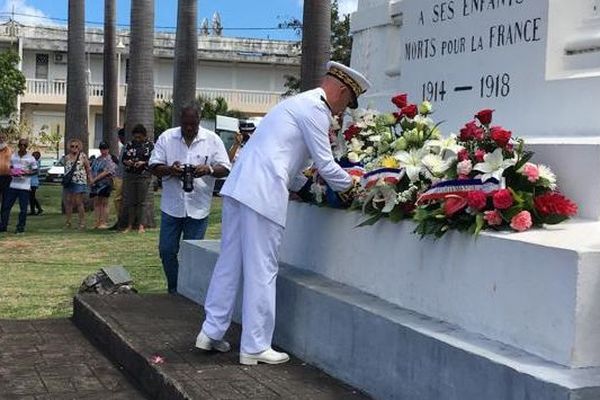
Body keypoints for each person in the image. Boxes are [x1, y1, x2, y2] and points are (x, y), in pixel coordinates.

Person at [196, 61, 371, 365]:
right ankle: (255, 346)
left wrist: (305, 188)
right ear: (341, 90)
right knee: (262, 268)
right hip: (262, 193)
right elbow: (327, 165)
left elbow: (285, 157)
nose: (344, 110)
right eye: (347, 102)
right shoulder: (316, 109)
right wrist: (354, 187)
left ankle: (210, 332)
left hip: (241, 187)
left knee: (230, 262)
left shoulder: (296, 103)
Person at [149, 105, 231, 294]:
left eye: (192, 124)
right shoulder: (167, 137)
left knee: (192, 254)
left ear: (199, 122)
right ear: (180, 121)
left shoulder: (212, 139)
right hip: (172, 205)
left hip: (198, 207)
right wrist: (171, 170)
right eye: (185, 124)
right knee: (167, 251)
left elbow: (226, 168)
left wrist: (207, 169)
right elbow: (153, 166)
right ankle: (175, 288)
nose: (188, 128)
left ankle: (189, 292)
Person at [0, 138, 38, 234]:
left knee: (23, 209)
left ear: (27, 146)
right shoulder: (13, 156)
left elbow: (35, 171)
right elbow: (11, 166)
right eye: (21, 145)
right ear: (18, 145)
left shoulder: (30, 158)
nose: (22, 147)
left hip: (24, 187)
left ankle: (20, 227)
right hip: (13, 185)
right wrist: (13, 171)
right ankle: (3, 226)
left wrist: (26, 173)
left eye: (24, 145)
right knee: (6, 207)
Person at [121, 124, 154, 233]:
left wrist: (143, 163)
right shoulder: (129, 145)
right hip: (131, 175)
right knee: (131, 201)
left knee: (142, 201)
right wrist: (129, 162)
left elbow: (154, 160)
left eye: (139, 137)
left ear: (144, 136)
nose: (137, 139)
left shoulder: (150, 146)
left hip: (144, 175)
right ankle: (130, 225)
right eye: (135, 137)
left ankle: (141, 225)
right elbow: (124, 159)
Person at [63, 139, 92, 229]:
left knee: (78, 202)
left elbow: (88, 168)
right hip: (69, 182)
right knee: (68, 202)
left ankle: (82, 222)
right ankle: (68, 222)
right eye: (72, 146)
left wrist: (89, 179)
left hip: (79, 181)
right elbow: (66, 169)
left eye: (76, 146)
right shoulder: (67, 157)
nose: (74, 148)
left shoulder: (83, 156)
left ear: (79, 147)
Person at [90, 141, 116, 229]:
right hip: (96, 184)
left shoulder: (109, 159)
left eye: (105, 149)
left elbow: (107, 171)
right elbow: (92, 169)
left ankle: (103, 222)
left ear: (108, 149)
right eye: (101, 149)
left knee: (104, 203)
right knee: (97, 203)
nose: (103, 151)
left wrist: (95, 179)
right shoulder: (97, 159)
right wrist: (91, 180)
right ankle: (97, 221)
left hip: (105, 183)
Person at [109, 128, 126, 228]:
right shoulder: (123, 148)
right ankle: (120, 219)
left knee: (119, 199)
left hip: (123, 177)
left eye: (121, 137)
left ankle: (122, 219)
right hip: (118, 176)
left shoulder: (127, 147)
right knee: (117, 200)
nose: (120, 140)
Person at [29, 151, 43, 215]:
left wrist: (28, 172)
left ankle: (37, 209)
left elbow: (36, 172)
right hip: (31, 182)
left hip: (33, 182)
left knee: (31, 197)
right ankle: (35, 209)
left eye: (34, 156)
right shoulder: (34, 163)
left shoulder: (36, 163)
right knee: (31, 197)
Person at [0, 132, 12, 204]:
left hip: (6, 177)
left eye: (2, 138)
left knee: (6, 198)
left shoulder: (9, 150)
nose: (1, 139)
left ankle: (4, 215)